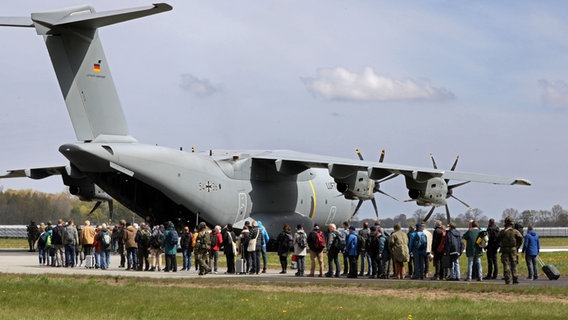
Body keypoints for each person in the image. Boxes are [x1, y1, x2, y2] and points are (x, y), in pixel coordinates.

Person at [498, 216, 524, 284]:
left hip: (505, 249)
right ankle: (515, 278)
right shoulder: (515, 232)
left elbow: (497, 240)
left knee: (506, 264)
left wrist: (501, 245)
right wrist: (517, 247)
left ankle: (507, 279)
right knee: (514, 263)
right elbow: (521, 239)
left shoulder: (502, 232)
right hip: (513, 249)